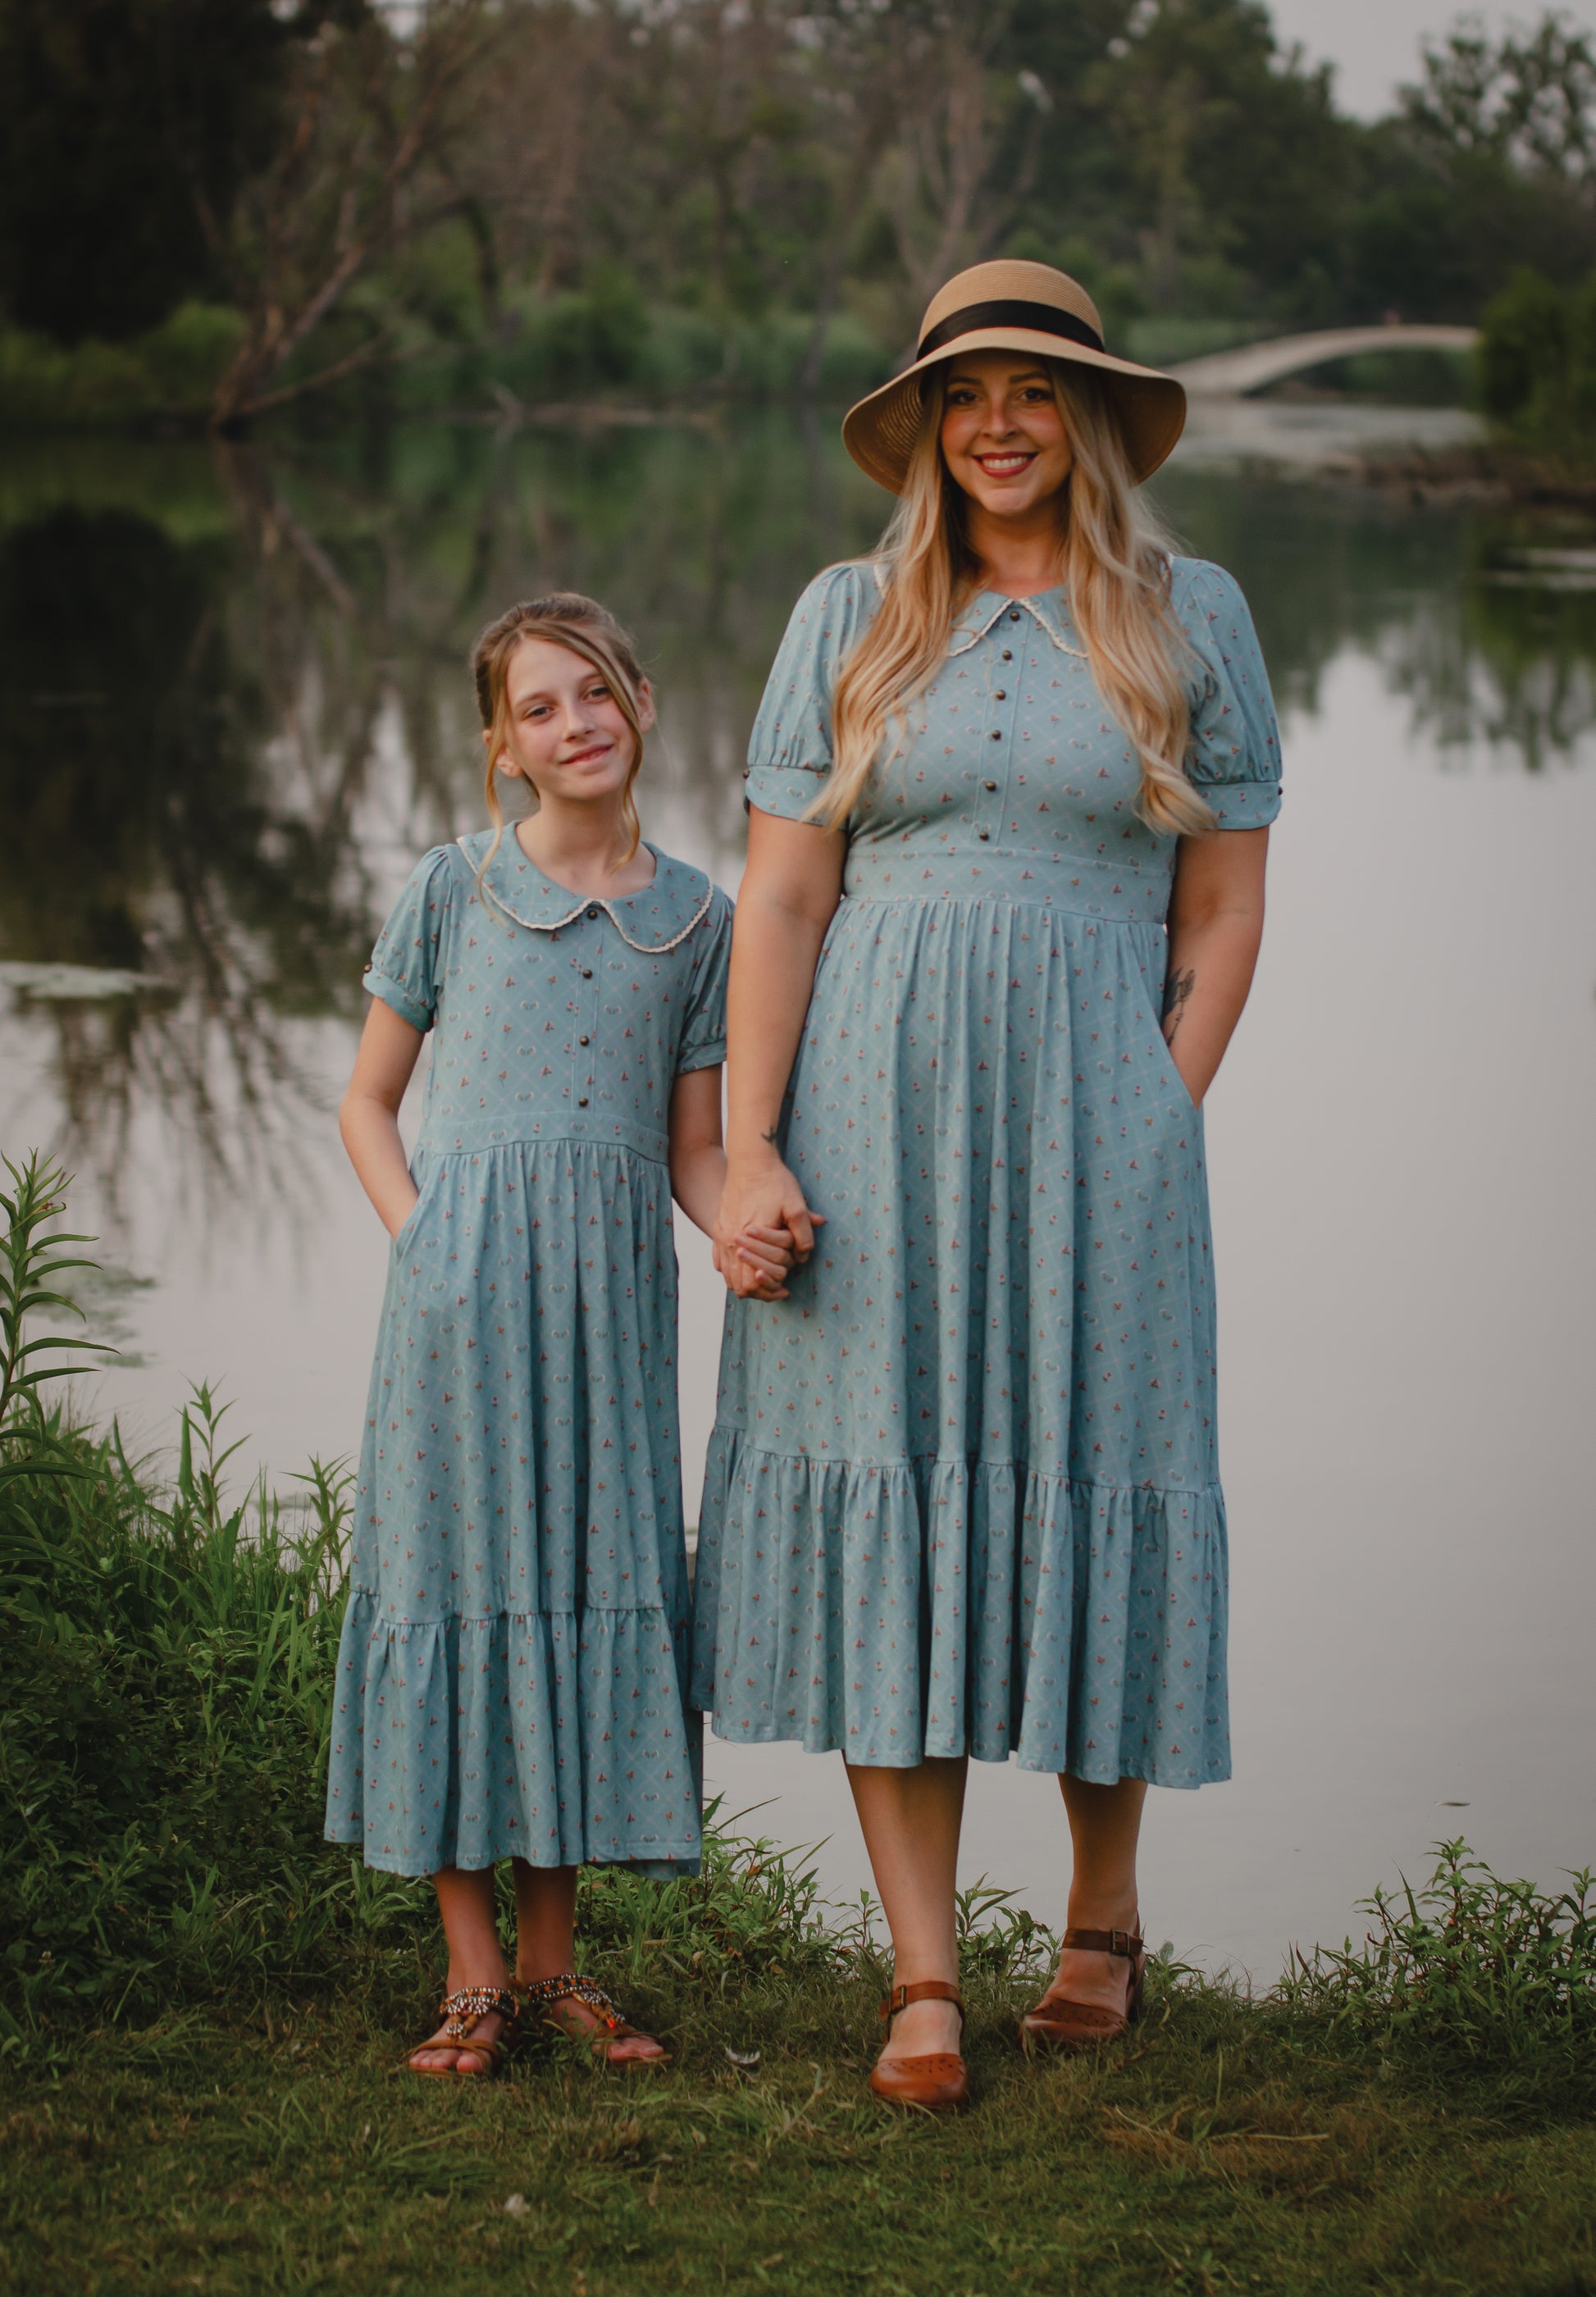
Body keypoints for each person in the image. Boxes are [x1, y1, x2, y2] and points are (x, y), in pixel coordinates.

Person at [693, 261, 1281, 2113]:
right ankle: (924, 1972)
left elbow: (1225, 904)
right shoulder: (848, 617)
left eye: (1036, 390)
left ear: (1092, 418)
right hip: (871, 1122)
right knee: (902, 1502)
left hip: (1100, 1126)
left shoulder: (1196, 617)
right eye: (966, 393)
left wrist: (1156, 1107)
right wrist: (750, 1144)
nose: (1001, 421)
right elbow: (784, 899)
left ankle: (1100, 1918)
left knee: (1087, 1476)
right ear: (929, 426)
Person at [325, 592, 791, 2076]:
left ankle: (555, 1967)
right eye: (539, 706)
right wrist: (424, 1236)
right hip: (457, 1310)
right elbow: (366, 1100)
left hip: (607, 1317)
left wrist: (737, 1223)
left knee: (586, 1591)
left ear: (642, 700)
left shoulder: (703, 921)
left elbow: (693, 1151)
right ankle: (470, 1978)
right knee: (460, 1589)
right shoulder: (452, 890)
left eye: (593, 690)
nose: (574, 722)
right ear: (502, 747)